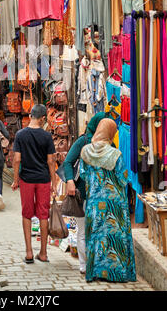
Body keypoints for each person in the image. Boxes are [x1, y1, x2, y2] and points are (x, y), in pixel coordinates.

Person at [80, 118, 137, 283]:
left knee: (97, 237)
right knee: (114, 237)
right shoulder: (115, 154)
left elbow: (83, 174)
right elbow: (122, 178)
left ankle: (95, 272)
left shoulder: (86, 152)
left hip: (94, 204)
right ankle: (116, 274)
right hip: (114, 204)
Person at [63, 112, 113, 275]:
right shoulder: (83, 141)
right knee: (84, 231)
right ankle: (85, 265)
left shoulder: (111, 145)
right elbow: (68, 162)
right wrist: (70, 180)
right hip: (83, 194)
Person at [12, 104, 56, 264]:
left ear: (30, 116)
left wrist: (16, 179)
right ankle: (43, 253)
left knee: (27, 214)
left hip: (27, 180)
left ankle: (29, 252)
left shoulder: (20, 135)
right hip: (43, 179)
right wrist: (54, 183)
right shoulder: (46, 136)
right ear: (43, 118)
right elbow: (51, 161)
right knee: (44, 214)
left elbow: (17, 159)